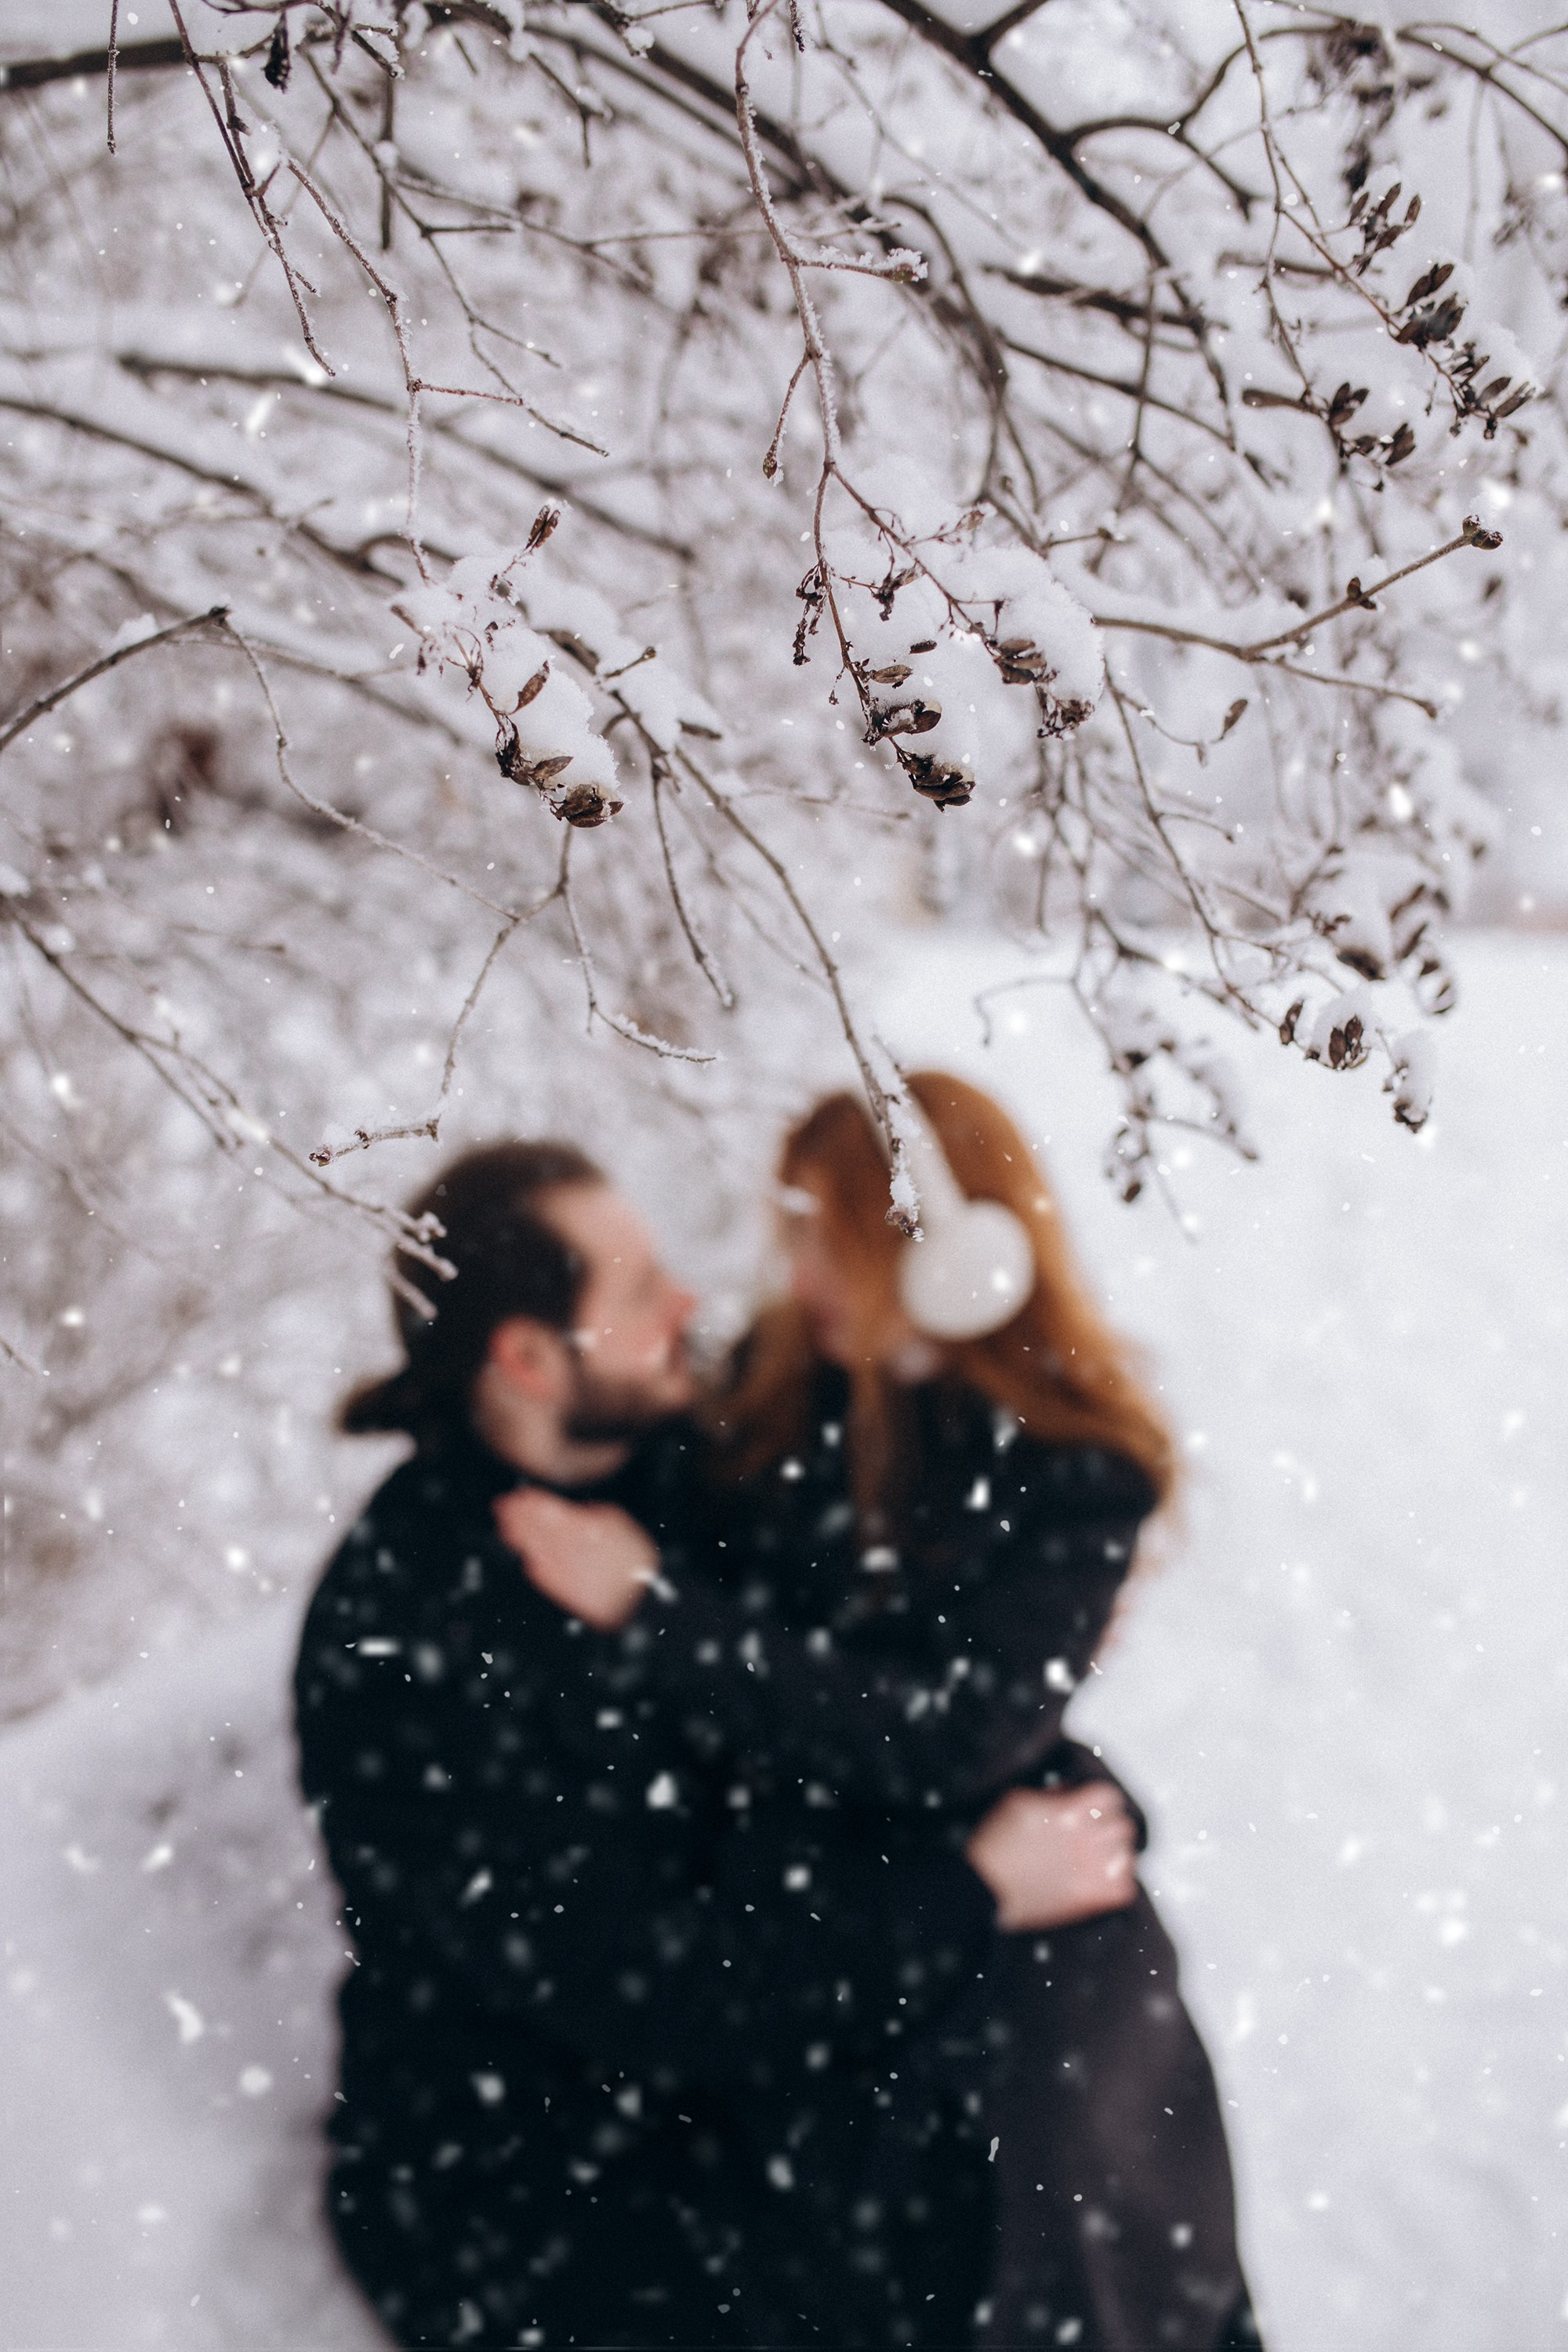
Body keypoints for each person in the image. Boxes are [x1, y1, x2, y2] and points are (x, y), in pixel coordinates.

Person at [296, 1139, 1130, 2350]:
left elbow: (872, 1691)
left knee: (1088, 2041)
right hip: (537, 2179)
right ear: (528, 1358)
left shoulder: (680, 1474)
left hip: (729, 2088)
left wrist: (1058, 1808)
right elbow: (653, 1985)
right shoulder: (407, 1634)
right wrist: (969, 1889)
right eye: (637, 1293)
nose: (687, 1303)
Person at [497, 1077, 1262, 2351]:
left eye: (831, 1244)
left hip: (991, 1862)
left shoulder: (1078, 1467)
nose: (801, 1278)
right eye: (792, 1236)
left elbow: (953, 1735)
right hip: (822, 1877)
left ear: (947, 1252)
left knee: (1065, 2146)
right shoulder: (768, 1394)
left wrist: (669, 1618)